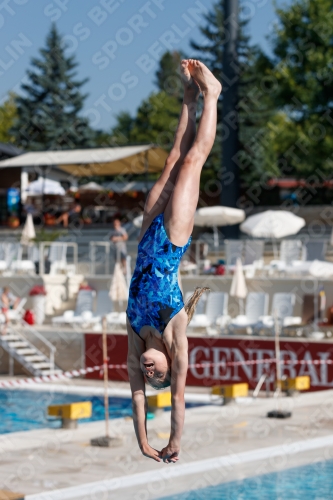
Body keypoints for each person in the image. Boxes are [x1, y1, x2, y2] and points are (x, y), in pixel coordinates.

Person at [126, 60, 221, 464]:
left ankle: (188, 97)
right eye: (157, 375)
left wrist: (144, 443)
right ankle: (212, 93)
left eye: (149, 377)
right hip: (173, 240)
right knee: (192, 162)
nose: (149, 373)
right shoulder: (175, 334)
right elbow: (178, 399)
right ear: (169, 366)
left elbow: (136, 399)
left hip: (147, 234)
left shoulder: (134, 337)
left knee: (170, 162)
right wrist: (173, 442)